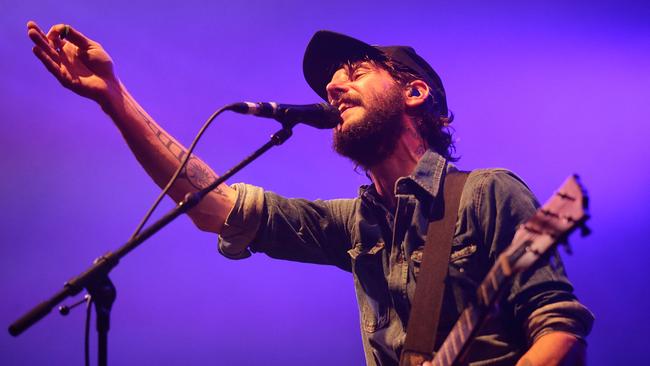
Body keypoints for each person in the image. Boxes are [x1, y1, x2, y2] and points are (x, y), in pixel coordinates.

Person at [27, 21, 593, 366]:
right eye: (331, 79)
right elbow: (213, 206)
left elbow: (560, 329)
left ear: (414, 91)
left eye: (354, 70)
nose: (331, 86)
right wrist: (115, 99)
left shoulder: (488, 193)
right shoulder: (356, 226)